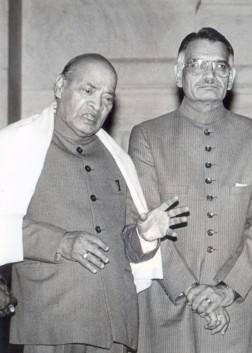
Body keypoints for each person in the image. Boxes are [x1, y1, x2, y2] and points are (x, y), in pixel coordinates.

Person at [0, 53, 187, 353]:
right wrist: (61, 242)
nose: (97, 106)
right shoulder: (15, 145)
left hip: (115, 327)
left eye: (107, 98)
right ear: (61, 87)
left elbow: (127, 246)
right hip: (50, 326)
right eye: (88, 91)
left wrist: (144, 235)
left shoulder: (118, 159)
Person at [128, 27, 252, 353]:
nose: (210, 74)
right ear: (179, 74)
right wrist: (189, 288)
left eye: (220, 66)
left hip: (239, 303)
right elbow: (146, 220)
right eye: (198, 65)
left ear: (231, 76)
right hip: (170, 302)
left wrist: (228, 288)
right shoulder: (146, 136)